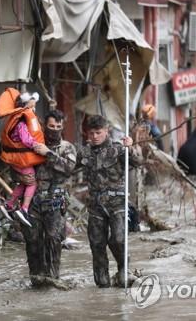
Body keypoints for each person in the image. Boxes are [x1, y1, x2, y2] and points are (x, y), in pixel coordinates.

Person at [76, 115, 142, 288]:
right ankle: (102, 283)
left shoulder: (118, 149)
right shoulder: (84, 152)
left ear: (106, 131)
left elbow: (137, 162)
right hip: (95, 205)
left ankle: (123, 268)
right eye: (91, 133)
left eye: (98, 132)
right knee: (97, 244)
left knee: (119, 239)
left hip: (117, 202)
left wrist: (131, 147)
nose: (95, 136)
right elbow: (68, 169)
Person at [19, 110, 77, 286]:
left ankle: (52, 279)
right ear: (45, 125)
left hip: (56, 199)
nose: (55, 129)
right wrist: (20, 177)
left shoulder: (67, 147)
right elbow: (19, 164)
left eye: (58, 127)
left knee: (53, 238)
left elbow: (68, 168)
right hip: (34, 199)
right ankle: (36, 279)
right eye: (51, 126)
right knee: (32, 239)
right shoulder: (33, 144)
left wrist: (48, 153)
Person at [0, 91, 45, 226]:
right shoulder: (21, 123)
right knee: (32, 182)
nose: (33, 109)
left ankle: (9, 204)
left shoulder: (19, 119)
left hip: (17, 158)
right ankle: (24, 208)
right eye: (31, 107)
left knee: (24, 183)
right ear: (24, 106)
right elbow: (26, 139)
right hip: (21, 158)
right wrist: (36, 145)